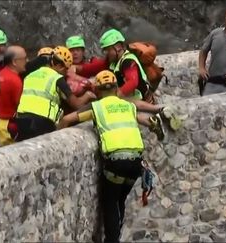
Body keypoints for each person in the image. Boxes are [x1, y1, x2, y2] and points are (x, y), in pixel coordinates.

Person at [57, 70, 163, 243]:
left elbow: (68, 119)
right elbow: (143, 118)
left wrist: (57, 135)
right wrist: (154, 124)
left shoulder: (97, 107)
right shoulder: (127, 106)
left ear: (98, 91)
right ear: (116, 89)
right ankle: (115, 238)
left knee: (110, 202)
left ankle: (112, 240)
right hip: (135, 162)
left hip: (116, 163)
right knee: (120, 201)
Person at [9, 46, 96, 141]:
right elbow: (76, 105)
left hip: (21, 121)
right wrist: (87, 95)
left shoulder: (30, 75)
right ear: (59, 66)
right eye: (66, 69)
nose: (66, 73)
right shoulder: (57, 78)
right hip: (42, 123)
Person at [74, 29, 150, 100]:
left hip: (138, 101)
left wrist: (113, 98)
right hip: (125, 99)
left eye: (107, 50)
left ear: (118, 47)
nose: (106, 53)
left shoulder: (128, 61)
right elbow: (97, 67)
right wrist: (77, 68)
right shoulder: (113, 61)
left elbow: (132, 82)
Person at [0, 45, 26, 147]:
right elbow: (19, 104)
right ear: (14, 62)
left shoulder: (1, 73)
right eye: (24, 58)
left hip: (1, 122)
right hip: (9, 125)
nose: (27, 61)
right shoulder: (15, 80)